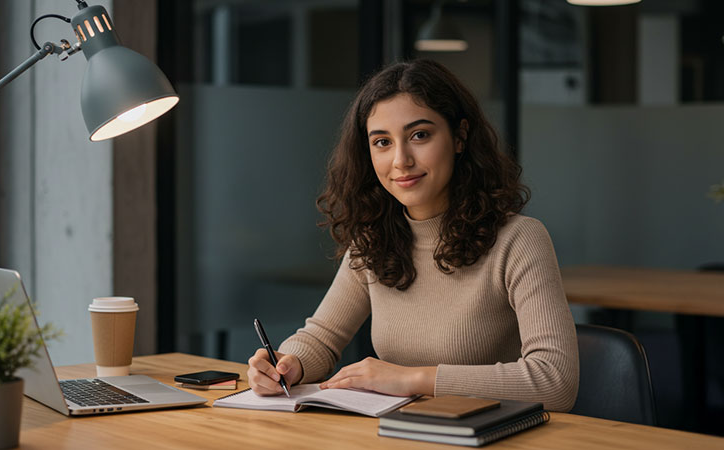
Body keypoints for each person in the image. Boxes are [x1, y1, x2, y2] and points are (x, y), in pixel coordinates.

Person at [247, 59, 579, 412]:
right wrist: (287, 364)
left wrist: (411, 379)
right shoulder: (372, 241)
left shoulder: (520, 240)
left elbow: (555, 382)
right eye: (382, 142)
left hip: (494, 436)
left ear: (460, 137)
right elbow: (322, 337)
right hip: (402, 431)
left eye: (419, 135)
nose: (400, 160)